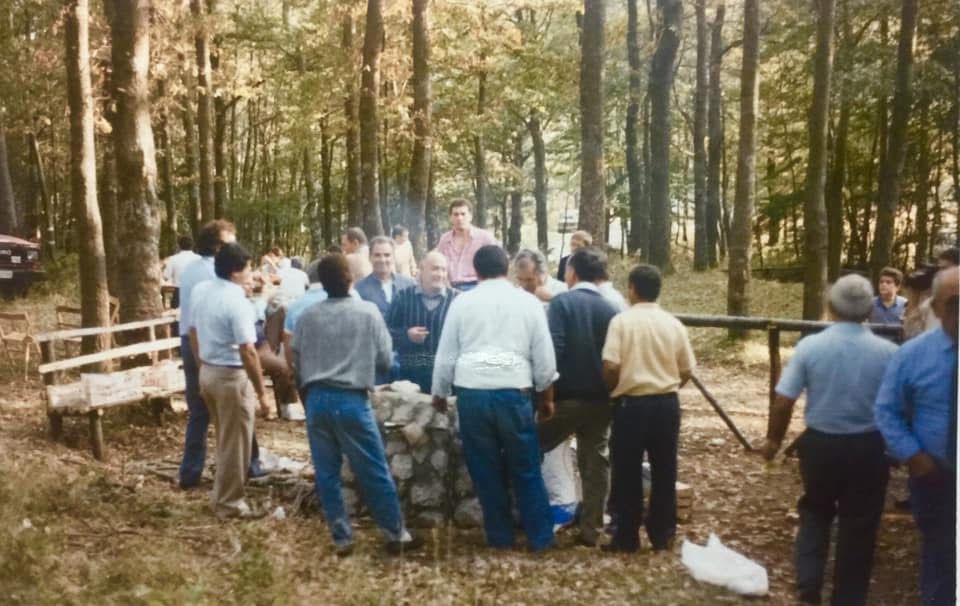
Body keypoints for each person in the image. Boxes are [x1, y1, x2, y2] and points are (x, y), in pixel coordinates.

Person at [761, 275, 898, 605]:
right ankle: (848, 597)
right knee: (860, 524)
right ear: (869, 310)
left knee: (815, 511)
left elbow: (784, 399)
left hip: (821, 445)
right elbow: (898, 406)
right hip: (869, 447)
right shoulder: (889, 352)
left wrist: (773, 441)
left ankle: (809, 583)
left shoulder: (811, 346)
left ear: (831, 307)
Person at [291, 253, 422, 556]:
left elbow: (295, 357)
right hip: (352, 400)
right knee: (373, 468)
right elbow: (387, 359)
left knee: (326, 472)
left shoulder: (308, 316)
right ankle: (395, 534)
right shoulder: (368, 312)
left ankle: (342, 537)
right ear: (350, 277)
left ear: (321, 282)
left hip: (317, 399)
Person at [432, 245, 557, 552]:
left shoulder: (462, 303)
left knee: (484, 466)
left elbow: (446, 352)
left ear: (475, 271)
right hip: (513, 389)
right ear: (508, 268)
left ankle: (500, 536)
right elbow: (543, 356)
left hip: (472, 390)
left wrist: (439, 391)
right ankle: (540, 537)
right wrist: (546, 395)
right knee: (526, 465)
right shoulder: (527, 302)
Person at [875, 266, 958, 606]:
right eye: (954, 303)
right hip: (935, 475)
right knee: (939, 558)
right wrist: (913, 454)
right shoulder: (912, 355)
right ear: (935, 307)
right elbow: (886, 410)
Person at [602, 264, 695, 553]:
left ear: (631, 288)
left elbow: (611, 365)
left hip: (631, 404)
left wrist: (616, 388)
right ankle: (663, 533)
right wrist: (667, 386)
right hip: (666, 403)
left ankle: (626, 535)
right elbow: (687, 369)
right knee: (665, 468)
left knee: (626, 470)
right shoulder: (673, 324)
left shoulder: (621, 322)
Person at [540, 247, 618, 547]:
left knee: (530, 444)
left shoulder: (562, 303)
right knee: (595, 463)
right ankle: (592, 528)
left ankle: (530, 515)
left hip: (565, 399)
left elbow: (554, 351)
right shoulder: (611, 309)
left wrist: (544, 394)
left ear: (571, 272)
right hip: (601, 400)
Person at [189, 243, 270, 518]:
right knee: (236, 443)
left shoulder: (201, 290)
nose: (251, 275)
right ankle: (230, 504)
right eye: (248, 269)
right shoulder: (238, 302)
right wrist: (262, 394)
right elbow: (248, 351)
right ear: (236, 273)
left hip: (208, 371)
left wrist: (202, 367)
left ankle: (219, 497)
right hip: (230, 376)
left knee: (225, 438)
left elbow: (192, 332)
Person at [177, 220, 237, 489]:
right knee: (231, 407)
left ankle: (190, 473)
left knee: (198, 411)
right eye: (230, 243)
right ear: (218, 245)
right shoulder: (214, 272)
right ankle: (246, 466)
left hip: (188, 340)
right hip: (209, 345)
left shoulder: (190, 269)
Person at [386, 251, 458, 393]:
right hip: (409, 382)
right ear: (422, 269)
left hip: (449, 381)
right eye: (435, 268)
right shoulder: (403, 298)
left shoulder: (457, 300)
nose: (440, 274)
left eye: (443, 270)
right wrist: (406, 336)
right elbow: (385, 336)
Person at [436, 199, 499, 290]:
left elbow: (497, 264)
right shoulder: (444, 240)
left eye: (463, 214)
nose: (459, 218)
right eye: (456, 214)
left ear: (470, 216)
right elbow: (438, 265)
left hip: (477, 286)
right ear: (450, 217)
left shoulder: (484, 237)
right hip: (451, 287)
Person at [355, 236, 416, 318]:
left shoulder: (409, 285)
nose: (382, 260)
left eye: (387, 255)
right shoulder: (360, 289)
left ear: (393, 257)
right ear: (370, 257)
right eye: (377, 255)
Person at [162, 235, 200, 299]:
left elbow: (165, 277)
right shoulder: (199, 259)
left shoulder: (173, 259)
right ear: (193, 245)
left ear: (179, 246)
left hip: (179, 293)